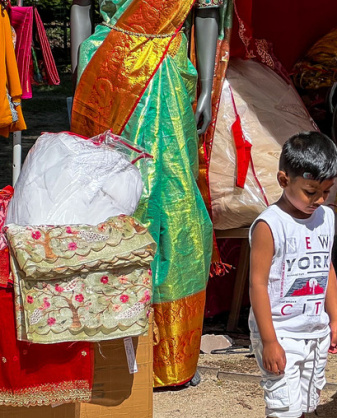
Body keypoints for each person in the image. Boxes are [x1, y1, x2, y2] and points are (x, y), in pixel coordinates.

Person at [70, 0, 222, 387]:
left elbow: (206, 11)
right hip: (113, 71)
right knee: (115, 199)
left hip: (160, 74)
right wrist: (81, 74)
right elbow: (80, 5)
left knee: (170, 204)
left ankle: (166, 355)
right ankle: (112, 349)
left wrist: (206, 89)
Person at [240, 132, 337, 418]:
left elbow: (326, 267)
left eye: (326, 192)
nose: (319, 200)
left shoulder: (326, 218)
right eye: (311, 192)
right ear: (284, 179)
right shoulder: (269, 225)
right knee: (283, 407)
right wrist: (269, 340)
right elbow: (257, 284)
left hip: (313, 329)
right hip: (280, 332)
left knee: (300, 406)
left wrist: (336, 317)